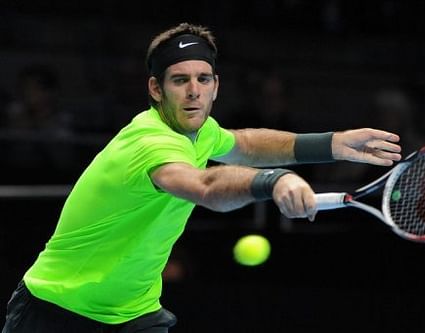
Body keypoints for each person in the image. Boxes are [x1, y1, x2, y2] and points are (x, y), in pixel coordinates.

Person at [1, 22, 402, 332]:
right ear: (156, 89)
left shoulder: (200, 130)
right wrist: (274, 181)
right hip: (55, 311)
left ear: (215, 86)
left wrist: (331, 143)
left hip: (133, 314)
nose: (193, 91)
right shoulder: (151, 142)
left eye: (203, 79)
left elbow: (243, 144)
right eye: (180, 80)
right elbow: (205, 186)